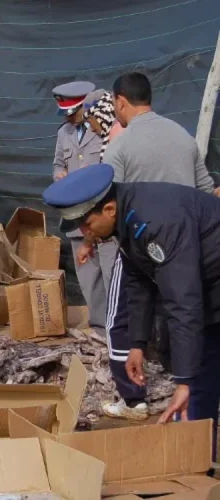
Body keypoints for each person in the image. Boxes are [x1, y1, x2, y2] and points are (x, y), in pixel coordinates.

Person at [43, 163, 220, 459]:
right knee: (200, 377)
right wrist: (136, 344)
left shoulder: (156, 223)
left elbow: (183, 302)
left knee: (193, 381)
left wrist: (184, 380)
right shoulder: (127, 218)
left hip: (206, 285)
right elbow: (140, 281)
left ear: (108, 209)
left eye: (87, 224)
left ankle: (196, 457)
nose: (85, 234)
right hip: (209, 287)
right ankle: (197, 464)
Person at [91, 72, 218, 421]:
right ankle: (188, 389)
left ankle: (134, 398)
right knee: (188, 318)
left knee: (124, 314)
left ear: (119, 101)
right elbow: (207, 189)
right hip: (197, 246)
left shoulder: (121, 144)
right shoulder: (183, 136)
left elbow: (103, 202)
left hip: (148, 245)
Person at [51, 82, 116, 341]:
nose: (68, 116)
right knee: (89, 277)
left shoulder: (104, 129)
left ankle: (119, 329)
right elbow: (57, 162)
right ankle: (100, 329)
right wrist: (58, 174)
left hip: (104, 216)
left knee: (113, 273)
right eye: (64, 111)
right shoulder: (63, 133)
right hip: (77, 216)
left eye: (73, 111)